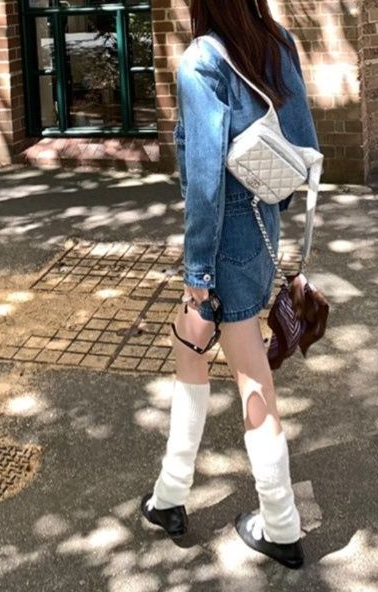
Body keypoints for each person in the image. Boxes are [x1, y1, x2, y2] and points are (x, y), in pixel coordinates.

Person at [141, 0, 320, 570]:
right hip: (262, 228)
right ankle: (169, 494)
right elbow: (303, 143)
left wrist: (197, 273)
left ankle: (282, 524)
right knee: (188, 345)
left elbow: (204, 183)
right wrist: (270, 206)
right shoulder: (276, 41)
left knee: (251, 375)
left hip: (223, 239)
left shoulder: (203, 60)